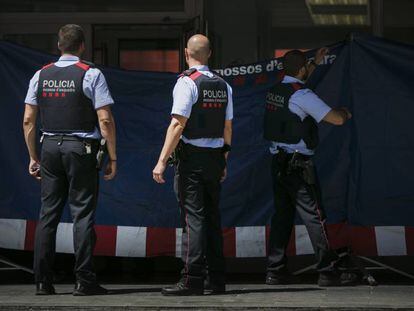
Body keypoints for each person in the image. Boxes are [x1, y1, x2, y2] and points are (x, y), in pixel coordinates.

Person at [22, 24, 117, 296]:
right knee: (82, 214)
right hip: (81, 149)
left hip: (49, 147)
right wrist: (112, 155)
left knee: (48, 215)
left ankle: (42, 281)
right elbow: (106, 119)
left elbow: (29, 119)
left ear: (59, 46)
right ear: (82, 46)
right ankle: (84, 281)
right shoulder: (91, 74)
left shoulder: (40, 75)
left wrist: (33, 156)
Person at [152, 34, 233, 296]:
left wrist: (162, 161)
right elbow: (228, 127)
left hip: (193, 159)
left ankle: (192, 279)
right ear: (209, 54)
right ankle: (216, 279)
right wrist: (223, 159)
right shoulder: (224, 85)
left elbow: (178, 124)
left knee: (193, 219)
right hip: (214, 157)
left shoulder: (187, 83)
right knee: (211, 218)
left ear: (187, 53)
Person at [264, 49, 352, 287]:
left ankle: (275, 270)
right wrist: (345, 112)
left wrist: (314, 63)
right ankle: (328, 271)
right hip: (298, 165)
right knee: (315, 217)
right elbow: (335, 119)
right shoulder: (302, 95)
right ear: (301, 70)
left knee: (282, 217)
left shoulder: (277, 90)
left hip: (278, 163)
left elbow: (297, 84)